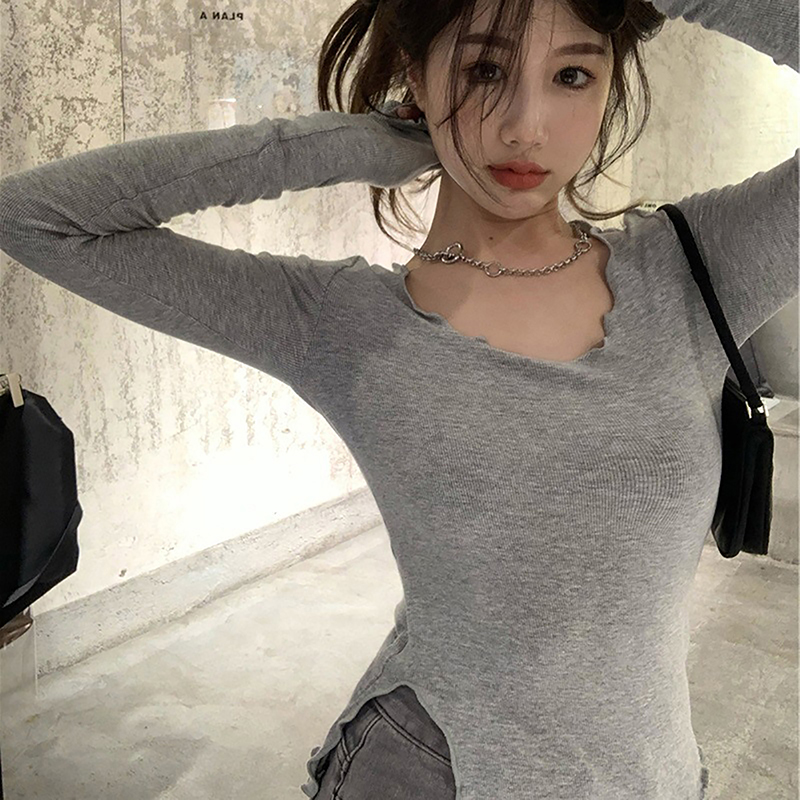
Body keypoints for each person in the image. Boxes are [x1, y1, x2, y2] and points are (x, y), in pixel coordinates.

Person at [0, 0, 796, 797]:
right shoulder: (338, 322)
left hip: (654, 773)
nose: (526, 127)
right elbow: (35, 217)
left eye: (572, 76)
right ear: (417, 75)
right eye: (485, 70)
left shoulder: (691, 273)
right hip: (425, 769)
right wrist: (354, 145)